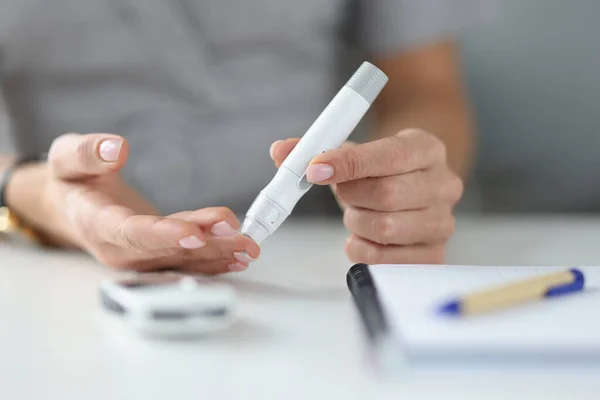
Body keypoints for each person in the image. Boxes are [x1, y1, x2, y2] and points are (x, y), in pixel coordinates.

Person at [0, 0, 484, 273]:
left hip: (327, 254)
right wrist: (40, 195)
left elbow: (427, 88)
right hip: (58, 261)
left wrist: (405, 182)